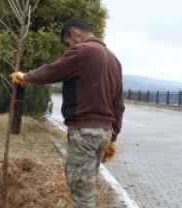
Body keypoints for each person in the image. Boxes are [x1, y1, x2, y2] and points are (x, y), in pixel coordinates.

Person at [10, 18, 124, 208]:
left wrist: (26, 77)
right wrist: (113, 137)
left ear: (74, 33)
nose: (68, 47)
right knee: (86, 188)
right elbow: (119, 103)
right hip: (103, 132)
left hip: (85, 132)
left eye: (67, 43)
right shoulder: (114, 60)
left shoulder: (82, 51)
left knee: (81, 192)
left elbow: (53, 71)